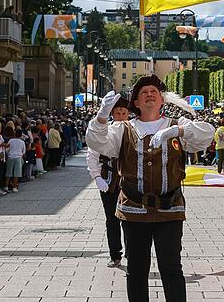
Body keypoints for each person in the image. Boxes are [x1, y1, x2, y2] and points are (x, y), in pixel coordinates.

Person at [86, 75, 214, 302]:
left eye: (154, 91)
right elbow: (97, 143)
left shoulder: (177, 125)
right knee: (136, 270)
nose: (149, 94)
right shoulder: (122, 129)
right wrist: (101, 117)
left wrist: (178, 132)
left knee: (171, 268)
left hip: (169, 208)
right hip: (133, 209)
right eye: (143, 92)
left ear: (162, 100)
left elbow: (206, 135)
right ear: (135, 102)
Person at [86, 97, 130, 268]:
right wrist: (96, 177)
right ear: (112, 114)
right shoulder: (104, 131)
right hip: (109, 182)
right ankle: (115, 254)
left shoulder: (134, 131)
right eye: (117, 113)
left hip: (130, 182)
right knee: (112, 220)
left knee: (131, 220)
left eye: (124, 113)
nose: (120, 116)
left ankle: (132, 253)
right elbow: (92, 155)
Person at [5, 128, 26, 192]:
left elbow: (7, 149)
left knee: (8, 172)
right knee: (16, 173)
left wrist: (8, 154)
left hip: (10, 157)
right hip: (18, 158)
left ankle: (6, 186)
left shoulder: (10, 140)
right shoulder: (22, 142)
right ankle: (14, 187)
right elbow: (24, 151)